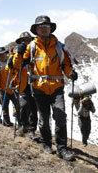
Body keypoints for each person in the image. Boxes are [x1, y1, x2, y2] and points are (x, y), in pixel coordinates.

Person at [13, 15, 78, 161]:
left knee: (60, 117)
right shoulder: (31, 47)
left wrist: (70, 73)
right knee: (44, 118)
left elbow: (66, 65)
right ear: (36, 30)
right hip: (38, 89)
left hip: (57, 88)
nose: (43, 28)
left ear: (50, 28)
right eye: (40, 26)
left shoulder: (59, 46)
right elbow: (18, 66)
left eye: (46, 26)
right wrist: (19, 53)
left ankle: (62, 149)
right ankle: (47, 144)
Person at [0, 47, 18, 127]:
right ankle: (7, 123)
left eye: (3, 54)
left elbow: (16, 73)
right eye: (0, 55)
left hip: (13, 89)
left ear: (6, 54)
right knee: (4, 108)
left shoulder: (11, 62)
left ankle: (20, 123)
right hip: (2, 90)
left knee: (18, 106)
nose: (2, 56)